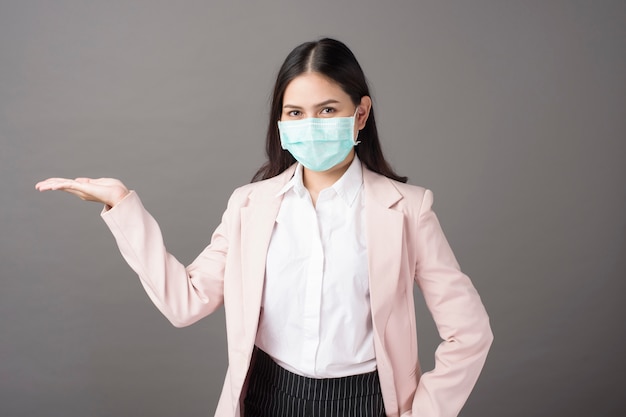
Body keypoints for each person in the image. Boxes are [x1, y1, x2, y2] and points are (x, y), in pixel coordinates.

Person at [36, 38, 493, 417]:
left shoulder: (408, 210)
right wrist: (122, 206)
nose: (310, 125)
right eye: (295, 113)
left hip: (368, 402)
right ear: (281, 121)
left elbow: (469, 332)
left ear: (361, 113)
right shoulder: (249, 206)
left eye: (328, 109)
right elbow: (185, 302)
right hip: (265, 399)